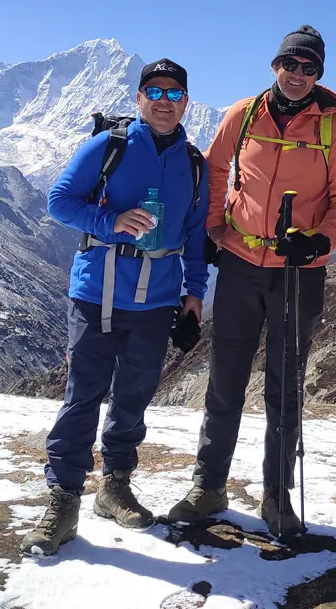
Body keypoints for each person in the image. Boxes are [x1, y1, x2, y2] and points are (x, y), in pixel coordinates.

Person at [167, 25, 336, 537]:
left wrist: (319, 242)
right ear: (275, 65)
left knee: (285, 387)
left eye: (309, 67)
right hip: (239, 266)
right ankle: (208, 486)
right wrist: (213, 226)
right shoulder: (244, 113)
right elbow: (214, 171)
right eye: (290, 64)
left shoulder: (334, 130)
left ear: (319, 74)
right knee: (225, 380)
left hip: (299, 273)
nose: (297, 75)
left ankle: (277, 496)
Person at [21, 58, 210, 556]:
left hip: (158, 298)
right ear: (139, 98)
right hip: (97, 293)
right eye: (155, 91)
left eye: (174, 93)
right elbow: (59, 201)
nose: (164, 101)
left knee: (134, 394)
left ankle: (115, 484)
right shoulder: (109, 147)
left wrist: (195, 294)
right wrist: (110, 221)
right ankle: (63, 498)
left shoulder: (194, 162)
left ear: (185, 102)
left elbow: (194, 234)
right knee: (83, 394)